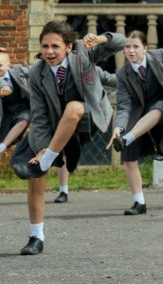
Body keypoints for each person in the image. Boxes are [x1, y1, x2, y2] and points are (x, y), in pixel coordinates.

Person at [10, 21, 124, 255]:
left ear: (68, 47)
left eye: (55, 46)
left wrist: (101, 39)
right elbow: (39, 116)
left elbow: (120, 42)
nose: (49, 52)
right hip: (55, 128)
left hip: (88, 117)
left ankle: (51, 156)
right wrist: (41, 147)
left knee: (73, 107)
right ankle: (36, 236)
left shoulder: (83, 52)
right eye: (45, 46)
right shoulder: (36, 72)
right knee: (35, 174)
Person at [108, 31, 163, 215]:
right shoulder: (123, 74)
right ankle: (139, 202)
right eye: (127, 47)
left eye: (136, 46)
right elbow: (124, 105)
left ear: (145, 48)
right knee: (129, 158)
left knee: (160, 107)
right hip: (138, 115)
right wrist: (118, 128)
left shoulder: (158, 56)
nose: (131, 51)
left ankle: (128, 138)